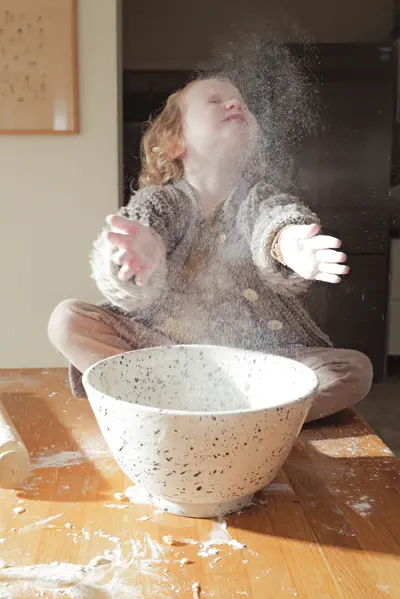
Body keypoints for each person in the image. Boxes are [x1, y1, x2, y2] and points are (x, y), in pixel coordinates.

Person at [48, 77, 373, 422]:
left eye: (242, 103)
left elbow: (273, 219)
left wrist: (288, 243)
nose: (235, 105)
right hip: (168, 360)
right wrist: (135, 257)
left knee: (352, 370)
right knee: (67, 320)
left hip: (258, 368)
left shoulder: (259, 197)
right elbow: (132, 244)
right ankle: (226, 416)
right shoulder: (160, 202)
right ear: (175, 142)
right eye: (215, 101)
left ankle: (192, 414)